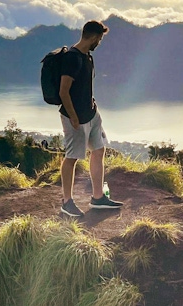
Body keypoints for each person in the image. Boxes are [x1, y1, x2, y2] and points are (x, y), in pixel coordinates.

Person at [59, 20, 123, 218]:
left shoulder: (87, 57)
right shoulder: (72, 58)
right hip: (75, 117)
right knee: (71, 158)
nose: (100, 43)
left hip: (92, 114)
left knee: (99, 150)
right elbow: (63, 91)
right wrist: (73, 117)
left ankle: (97, 198)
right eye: (100, 39)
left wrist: (92, 108)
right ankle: (67, 202)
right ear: (94, 37)